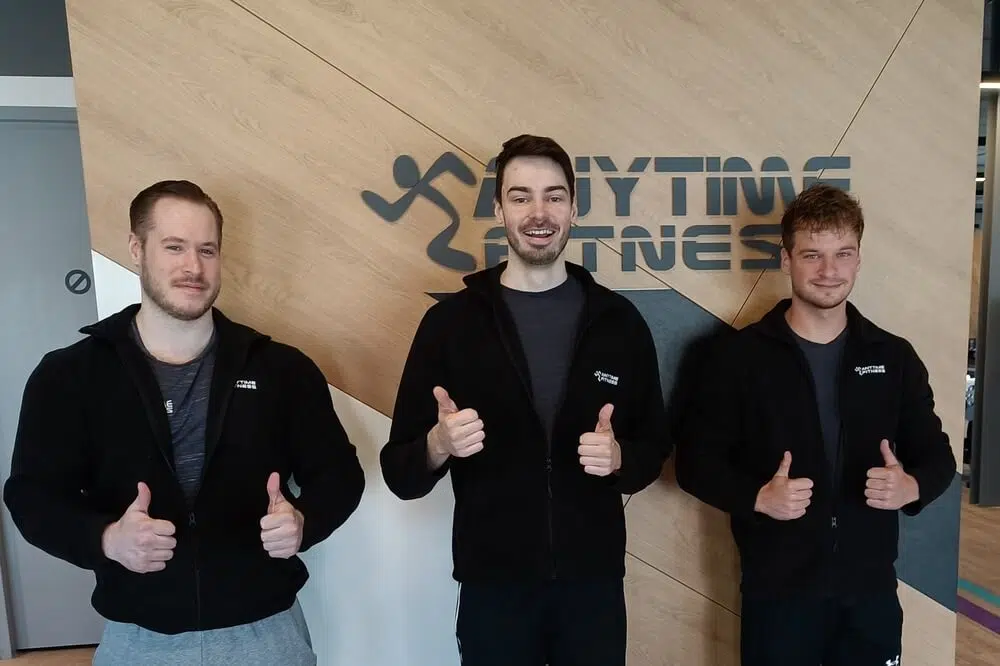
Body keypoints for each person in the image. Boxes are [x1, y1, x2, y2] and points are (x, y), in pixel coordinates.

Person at [3, 180, 365, 665]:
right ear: (137, 249)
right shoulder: (70, 374)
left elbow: (340, 474)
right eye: (174, 247)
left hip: (267, 635)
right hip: (138, 639)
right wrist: (107, 539)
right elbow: (32, 496)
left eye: (207, 250)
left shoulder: (283, 369)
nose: (193, 267)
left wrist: (305, 521)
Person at [379, 134, 671, 666]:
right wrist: (438, 444)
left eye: (554, 196)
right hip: (494, 587)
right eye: (521, 197)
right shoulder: (450, 324)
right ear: (499, 210)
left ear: (574, 209)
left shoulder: (620, 323)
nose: (539, 213)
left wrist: (620, 458)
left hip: (592, 586)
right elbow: (400, 472)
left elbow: (653, 449)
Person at [675, 183, 956, 666]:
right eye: (812, 255)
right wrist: (758, 497)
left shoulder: (894, 357)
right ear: (786, 260)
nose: (829, 271)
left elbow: (939, 457)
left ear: (859, 259)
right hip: (777, 597)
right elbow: (694, 464)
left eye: (843, 254)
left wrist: (911, 487)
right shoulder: (736, 358)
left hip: (869, 597)